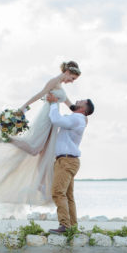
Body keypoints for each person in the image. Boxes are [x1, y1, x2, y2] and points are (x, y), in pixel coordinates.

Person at [0, 61, 82, 207]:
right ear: (67, 72)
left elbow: (70, 104)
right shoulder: (54, 81)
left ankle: (41, 185)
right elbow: (40, 94)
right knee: (34, 148)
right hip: (46, 117)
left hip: (52, 121)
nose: (71, 81)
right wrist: (23, 107)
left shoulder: (60, 86)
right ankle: (7, 139)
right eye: (72, 78)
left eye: (73, 80)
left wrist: (83, 114)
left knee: (45, 152)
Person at [45, 90, 94, 233]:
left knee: (58, 192)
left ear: (84, 108)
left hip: (66, 161)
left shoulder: (77, 118)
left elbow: (55, 120)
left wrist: (54, 103)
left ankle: (65, 225)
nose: (78, 100)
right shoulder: (78, 118)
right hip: (68, 161)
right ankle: (72, 226)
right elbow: (71, 107)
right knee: (68, 196)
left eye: (81, 101)